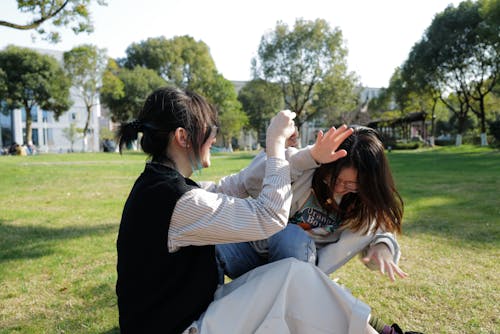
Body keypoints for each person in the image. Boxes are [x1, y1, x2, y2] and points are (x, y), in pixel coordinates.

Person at [116, 86, 390, 334]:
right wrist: (275, 145)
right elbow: (270, 217)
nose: (214, 135)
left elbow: (234, 186)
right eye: (208, 127)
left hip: (191, 315)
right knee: (293, 279)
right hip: (185, 327)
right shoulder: (180, 202)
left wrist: (306, 156)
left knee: (292, 276)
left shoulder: (163, 187)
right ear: (182, 136)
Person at [216, 126, 422, 334]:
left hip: (297, 268)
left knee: (292, 240)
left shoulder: (363, 204)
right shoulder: (306, 165)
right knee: (212, 243)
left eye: (352, 184)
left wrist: (382, 245)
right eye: (336, 179)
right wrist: (302, 156)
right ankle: (202, 313)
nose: (340, 188)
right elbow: (249, 181)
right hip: (253, 251)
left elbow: (378, 226)